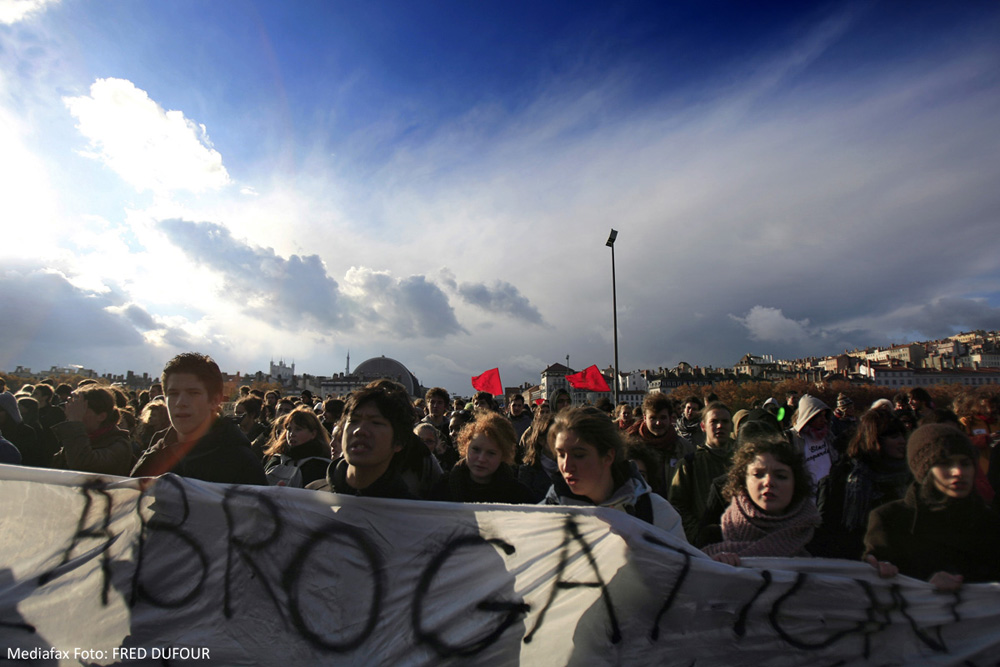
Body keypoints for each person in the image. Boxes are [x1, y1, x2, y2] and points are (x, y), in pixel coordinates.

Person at [864, 424, 1000, 590]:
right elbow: (878, 590)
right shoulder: (890, 519)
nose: (958, 472)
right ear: (925, 471)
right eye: (945, 464)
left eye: (965, 463)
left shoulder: (989, 521)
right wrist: (922, 583)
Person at [544, 407, 686, 540]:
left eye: (579, 455)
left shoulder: (656, 513)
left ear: (608, 456)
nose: (567, 466)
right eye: (561, 455)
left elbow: (679, 564)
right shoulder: (546, 514)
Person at [131, 353, 266, 485]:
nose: (180, 402)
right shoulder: (154, 457)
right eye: (173, 394)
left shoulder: (242, 464)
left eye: (193, 393)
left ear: (215, 400)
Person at [702, 430, 820, 566]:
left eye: (781, 476)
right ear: (743, 480)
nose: (768, 482)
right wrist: (717, 569)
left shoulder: (817, 540)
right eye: (758, 474)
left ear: (796, 483)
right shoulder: (714, 537)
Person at [814, 411, 911, 560]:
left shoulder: (908, 476)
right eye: (894, 437)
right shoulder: (843, 479)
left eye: (902, 435)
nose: (902, 441)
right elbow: (828, 530)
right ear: (875, 440)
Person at [306, 383, 415, 499]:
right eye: (354, 421)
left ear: (399, 442)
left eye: (376, 423)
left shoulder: (411, 512)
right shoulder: (311, 495)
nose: (359, 430)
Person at [430, 411, 535, 504]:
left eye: (491, 453)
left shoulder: (520, 496)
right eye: (476, 449)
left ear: (503, 455)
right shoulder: (442, 490)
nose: (481, 459)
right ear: (466, 447)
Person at [669, 402, 734, 542]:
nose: (720, 426)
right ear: (703, 426)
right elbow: (677, 505)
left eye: (724, 421)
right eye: (714, 421)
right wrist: (698, 533)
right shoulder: (689, 464)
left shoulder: (743, 463)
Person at [50, 385, 133, 476]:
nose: (72, 414)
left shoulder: (119, 446)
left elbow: (82, 464)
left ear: (101, 416)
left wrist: (75, 423)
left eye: (80, 411)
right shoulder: (79, 437)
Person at [626, 393, 694, 496]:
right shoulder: (630, 447)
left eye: (662, 418)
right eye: (653, 418)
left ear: (670, 418)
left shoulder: (685, 448)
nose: (658, 423)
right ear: (644, 418)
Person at [262, 407, 331, 487]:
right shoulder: (274, 459)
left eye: (298, 429)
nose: (292, 434)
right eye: (289, 429)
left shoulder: (319, 466)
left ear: (313, 434)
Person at [788, 395, 837, 488]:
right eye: (820, 416)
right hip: (807, 494)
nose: (824, 420)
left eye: (825, 415)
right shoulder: (791, 438)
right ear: (809, 416)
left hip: (829, 491)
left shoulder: (827, 435)